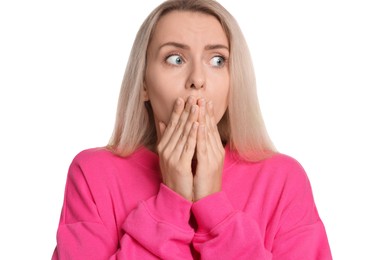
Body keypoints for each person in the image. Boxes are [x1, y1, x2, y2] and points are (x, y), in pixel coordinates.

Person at [52, 0, 332, 259]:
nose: (197, 79)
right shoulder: (93, 174)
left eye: (217, 60)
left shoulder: (282, 180)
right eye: (175, 58)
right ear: (144, 85)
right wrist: (170, 204)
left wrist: (214, 208)